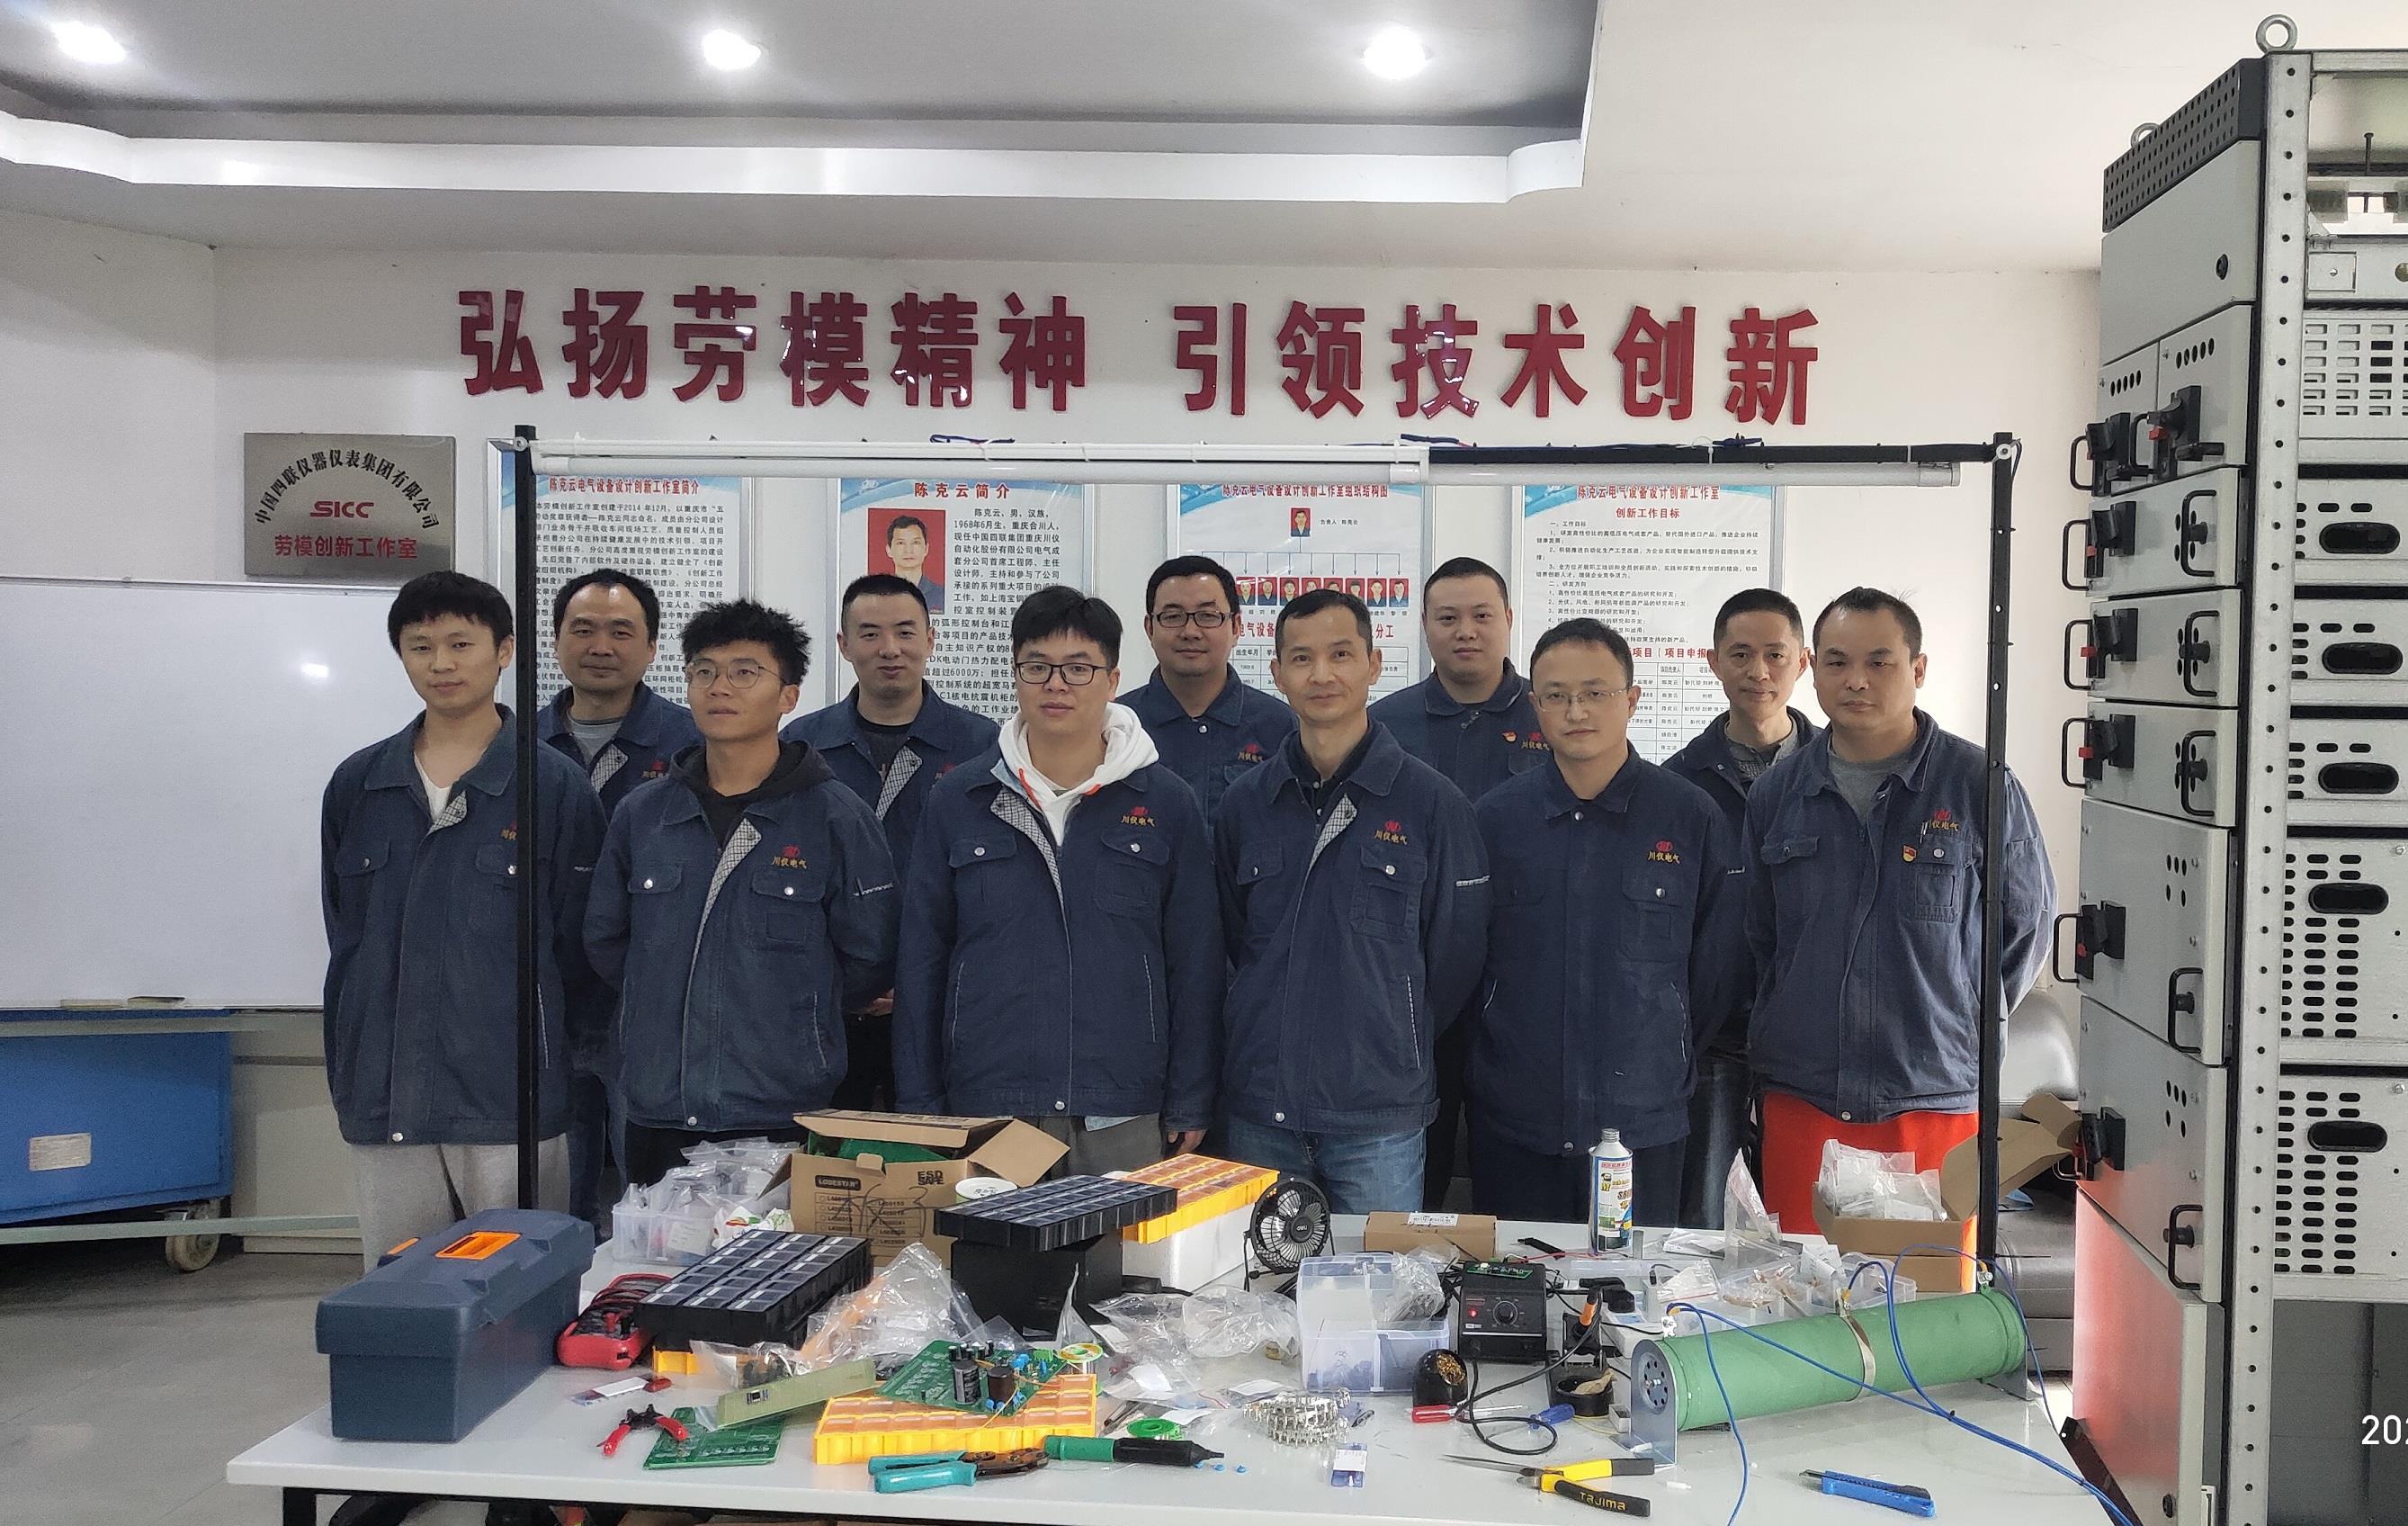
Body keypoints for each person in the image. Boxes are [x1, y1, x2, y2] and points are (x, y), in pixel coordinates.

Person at [1744, 588, 2055, 1231]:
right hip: (1805, 1092)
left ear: (1917, 668)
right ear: (1812, 668)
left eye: (1879, 662)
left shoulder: (1978, 786)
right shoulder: (1777, 794)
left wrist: (1961, 1013)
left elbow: (2025, 928)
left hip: (1933, 1095)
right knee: (1801, 1280)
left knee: (1925, 1283)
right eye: (1837, 662)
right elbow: (1758, 938)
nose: (1856, 680)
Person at [320, 571, 604, 1268]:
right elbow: (346, 934)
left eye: (460, 644)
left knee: (523, 1283)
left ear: (503, 651)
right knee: (399, 1288)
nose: (441, 663)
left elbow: (580, 947)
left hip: (510, 1092)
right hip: (387, 1090)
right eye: (421, 647)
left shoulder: (552, 785)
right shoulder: (360, 784)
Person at [894, 587, 1221, 1174]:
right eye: (1037, 667)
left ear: (1112, 680)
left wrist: (1190, 1094)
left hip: (1121, 1106)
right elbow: (922, 960)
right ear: (1015, 675)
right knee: (993, 1240)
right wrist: (919, 1103)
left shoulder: (1166, 803)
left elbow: (1194, 960)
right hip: (992, 1103)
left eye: (1078, 668)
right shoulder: (960, 799)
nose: (1056, 685)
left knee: (1125, 1240)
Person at [586, 599, 898, 1189]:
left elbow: (868, 956)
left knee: (773, 1250)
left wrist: (795, 1020)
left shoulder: (835, 817)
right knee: (655, 1249)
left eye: (744, 672)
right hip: (657, 1104)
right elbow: (607, 940)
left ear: (788, 696)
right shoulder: (644, 814)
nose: (719, 687)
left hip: (781, 1108)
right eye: (703, 671)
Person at [1214, 588, 1490, 1213]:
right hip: (1263, 1106)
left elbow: (1454, 957)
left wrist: (1391, 1027)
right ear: (1277, 673)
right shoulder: (1246, 803)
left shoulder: (1431, 803)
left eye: (1340, 654)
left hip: (1378, 1115)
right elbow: (1235, 942)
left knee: (1379, 1275)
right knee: (1261, 1274)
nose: (1321, 675)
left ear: (1373, 664)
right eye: (1301, 658)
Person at [1467, 618, 1741, 1226]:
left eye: (1595, 693)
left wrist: (1659, 1046)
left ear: (1632, 699)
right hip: (1517, 1121)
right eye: (1557, 696)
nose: (1576, 711)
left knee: (1634, 1282)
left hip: (1643, 1123)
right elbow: (1465, 961)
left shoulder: (1688, 816)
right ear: (1535, 705)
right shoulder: (1494, 820)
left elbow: (1714, 970)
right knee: (1520, 1280)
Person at [1368, 556, 1545, 1208]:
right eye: (1447, 618)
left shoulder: (1552, 712)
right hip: (1415, 978)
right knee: (1421, 1157)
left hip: (1524, 974)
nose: (1465, 631)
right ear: (1423, 626)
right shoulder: (1385, 725)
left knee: (1515, 1165)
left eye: (1480, 616)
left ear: (1508, 620)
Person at [783, 574, 997, 1110]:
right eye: (870, 634)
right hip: (825, 1010)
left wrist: (919, 977)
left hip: (944, 1005)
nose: (890, 649)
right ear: (843, 645)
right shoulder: (800, 748)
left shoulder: (983, 747)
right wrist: (848, 980)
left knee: (935, 1154)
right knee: (829, 1155)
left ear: (931, 638)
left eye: (905, 632)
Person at [537, 567, 703, 1234]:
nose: (600, 646)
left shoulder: (693, 745)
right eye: (583, 629)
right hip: (542, 1000)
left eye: (620, 631)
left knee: (651, 1203)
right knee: (550, 1201)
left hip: (648, 1004)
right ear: (555, 640)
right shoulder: (515, 746)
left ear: (652, 647)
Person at [1662, 588, 1818, 1228]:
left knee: (1807, 1218)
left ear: (1802, 661)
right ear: (1713, 662)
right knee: (1702, 1218)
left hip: (1813, 1042)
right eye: (1741, 654)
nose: (1759, 671)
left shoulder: (1835, 773)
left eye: (1775, 654)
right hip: (1714, 1038)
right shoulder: (1676, 784)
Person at [1123, 554, 1298, 822]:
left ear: (1236, 626)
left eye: (1207, 616)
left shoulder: (1279, 726)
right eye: (1173, 616)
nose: (1190, 631)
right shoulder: (1119, 725)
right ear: (1149, 628)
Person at [885, 514, 944, 614]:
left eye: (916, 543)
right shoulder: (878, 595)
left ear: (926, 549)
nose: (908, 550)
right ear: (889, 550)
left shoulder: (942, 595)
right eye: (901, 543)